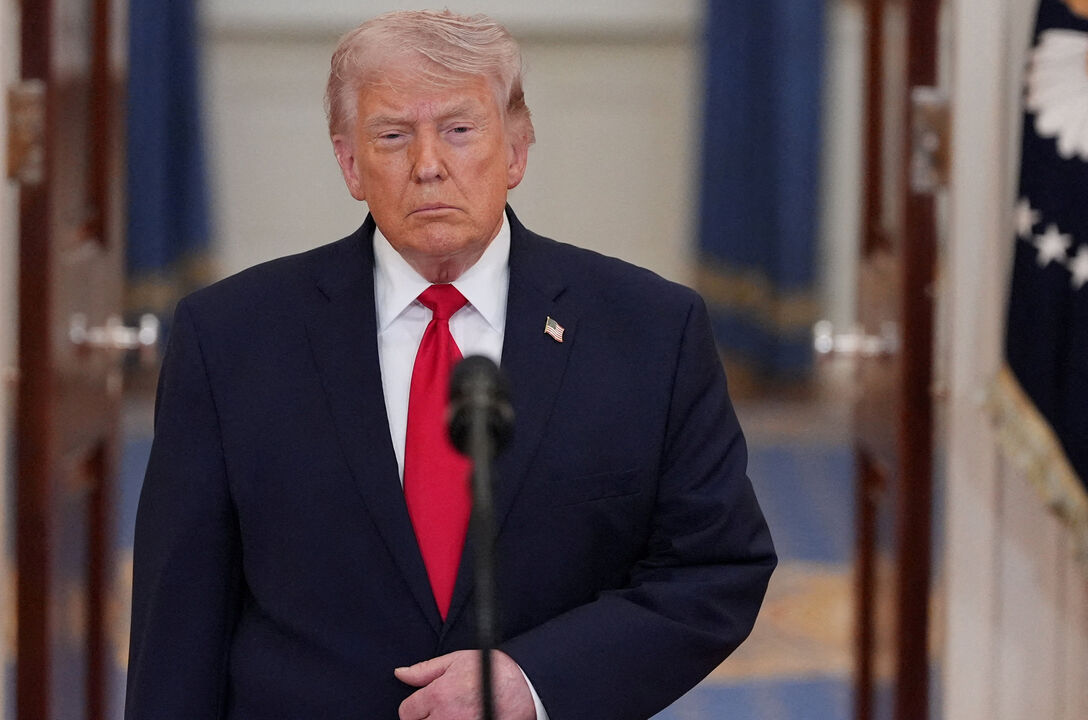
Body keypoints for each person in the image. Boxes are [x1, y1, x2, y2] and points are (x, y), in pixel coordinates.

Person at [126, 10, 775, 720]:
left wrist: (535, 681)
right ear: (350, 164)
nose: (428, 164)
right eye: (393, 135)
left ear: (517, 150)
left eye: (460, 131)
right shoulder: (230, 339)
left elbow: (714, 567)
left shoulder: (651, 332)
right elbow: (179, 618)